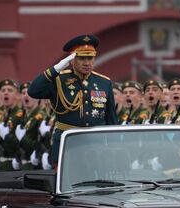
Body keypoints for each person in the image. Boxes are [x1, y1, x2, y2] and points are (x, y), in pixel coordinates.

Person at [28, 34, 117, 165]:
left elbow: (111, 120)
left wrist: (112, 149)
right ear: (72, 59)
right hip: (67, 144)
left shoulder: (104, 82)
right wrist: (55, 69)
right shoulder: (59, 80)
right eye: (81, 58)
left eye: (90, 58)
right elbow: (33, 91)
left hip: (96, 147)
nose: (87, 63)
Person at [17, 82, 47, 170]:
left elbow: (39, 145)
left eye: (29, 93)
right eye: (23, 93)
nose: (26, 95)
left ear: (37, 98)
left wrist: (23, 138)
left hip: (35, 166)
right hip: (23, 165)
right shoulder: (22, 117)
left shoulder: (40, 116)